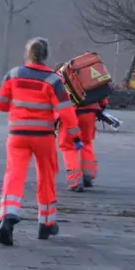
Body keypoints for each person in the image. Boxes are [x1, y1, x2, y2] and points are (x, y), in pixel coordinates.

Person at [0, 37, 83, 246]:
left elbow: (0, 104)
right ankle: (46, 223)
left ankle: (8, 217)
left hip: (17, 135)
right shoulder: (53, 80)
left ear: (27, 53)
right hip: (43, 137)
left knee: (14, 174)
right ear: (46, 56)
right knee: (46, 176)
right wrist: (75, 135)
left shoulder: (13, 75)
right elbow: (66, 111)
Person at [54, 62, 107, 192]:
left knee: (68, 147)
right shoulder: (85, 75)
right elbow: (102, 98)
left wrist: (54, 120)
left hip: (71, 114)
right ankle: (88, 174)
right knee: (86, 142)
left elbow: (56, 101)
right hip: (90, 113)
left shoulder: (58, 78)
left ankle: (75, 181)